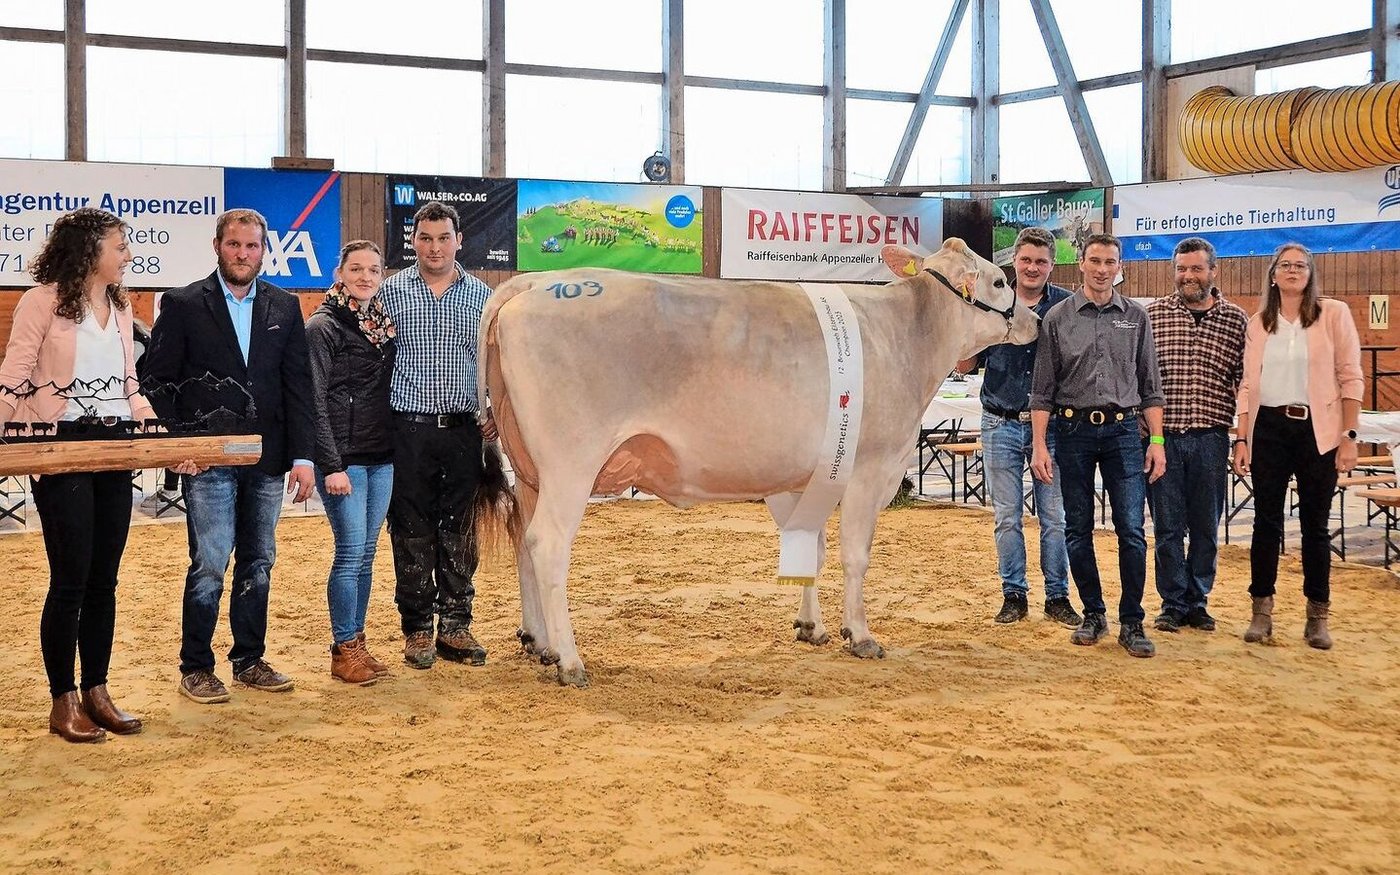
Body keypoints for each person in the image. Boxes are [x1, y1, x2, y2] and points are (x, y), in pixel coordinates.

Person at [143, 208, 316, 704]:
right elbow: (157, 382)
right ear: (217, 246)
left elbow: (299, 388)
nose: (243, 254)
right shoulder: (181, 304)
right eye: (235, 245)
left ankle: (249, 659)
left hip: (268, 459)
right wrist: (182, 446)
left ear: (265, 250)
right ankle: (196, 665)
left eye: (253, 246)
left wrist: (303, 456)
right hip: (208, 461)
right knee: (210, 563)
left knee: (259, 560)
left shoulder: (285, 306)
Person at [0, 207, 155, 742]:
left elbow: (129, 381)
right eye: (119, 246)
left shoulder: (117, 301)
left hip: (113, 446)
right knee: (69, 579)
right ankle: (62, 699)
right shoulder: (40, 300)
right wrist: (15, 443)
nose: (127, 255)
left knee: (104, 580)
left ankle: (97, 690)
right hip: (60, 445)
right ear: (90, 249)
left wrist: (151, 426)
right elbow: (15, 375)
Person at [1030, 233, 1167, 658]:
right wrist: (1039, 444)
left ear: (1119, 266)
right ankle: (1093, 613)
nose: (1102, 268)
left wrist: (1157, 441)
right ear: (1082, 264)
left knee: (1131, 530)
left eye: (1110, 261)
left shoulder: (1136, 318)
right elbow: (1042, 390)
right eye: (1095, 260)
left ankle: (1132, 621)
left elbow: (1151, 386)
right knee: (1077, 528)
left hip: (1125, 433)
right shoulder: (1057, 318)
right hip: (1072, 434)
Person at [378, 202, 497, 669]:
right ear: (413, 242)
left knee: (461, 528)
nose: (434, 247)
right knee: (410, 530)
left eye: (442, 237)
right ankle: (417, 629)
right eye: (425, 238)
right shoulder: (390, 293)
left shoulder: (483, 298)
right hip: (408, 429)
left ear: (458, 240)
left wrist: (493, 412)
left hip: (464, 430)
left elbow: (496, 365)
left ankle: (455, 624)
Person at [1233, 242, 1362, 650]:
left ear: (1310, 274)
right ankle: (1262, 610)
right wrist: (1241, 437)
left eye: (1300, 265)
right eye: (1285, 265)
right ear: (1273, 274)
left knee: (1315, 527)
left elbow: (1351, 376)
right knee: (1266, 523)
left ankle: (1317, 615)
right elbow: (1247, 385)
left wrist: (1349, 436)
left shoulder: (1334, 314)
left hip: (1318, 430)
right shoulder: (1258, 324)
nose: (1293, 271)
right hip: (1268, 428)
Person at [955, 227, 1080, 628]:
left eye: (1041, 261)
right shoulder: (992, 301)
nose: (1032, 267)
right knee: (1007, 517)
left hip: (1055, 427)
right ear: (1015, 262)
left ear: (1051, 265)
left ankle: (1057, 595)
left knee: (1055, 518)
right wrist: (965, 327)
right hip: (1000, 421)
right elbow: (964, 365)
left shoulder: (1067, 307)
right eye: (1026, 260)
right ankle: (1014, 595)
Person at [1145, 237, 1248, 634]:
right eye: (1182, 269)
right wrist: (1151, 438)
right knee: (1167, 527)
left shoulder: (1236, 320)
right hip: (1163, 439)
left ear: (1213, 271)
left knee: (1206, 525)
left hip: (1211, 437)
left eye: (1196, 268)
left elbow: (1245, 383)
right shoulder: (1153, 316)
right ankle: (1172, 602)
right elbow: (1142, 379)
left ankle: (1198, 600)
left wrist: (1241, 438)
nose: (1188, 276)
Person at [305, 240, 396, 685]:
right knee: (349, 553)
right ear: (340, 272)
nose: (365, 277)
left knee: (366, 555)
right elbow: (315, 400)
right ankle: (343, 648)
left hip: (381, 454)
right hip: (344, 459)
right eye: (356, 269)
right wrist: (331, 463)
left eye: (373, 270)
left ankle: (356, 642)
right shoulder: (323, 326)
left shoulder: (380, 323)